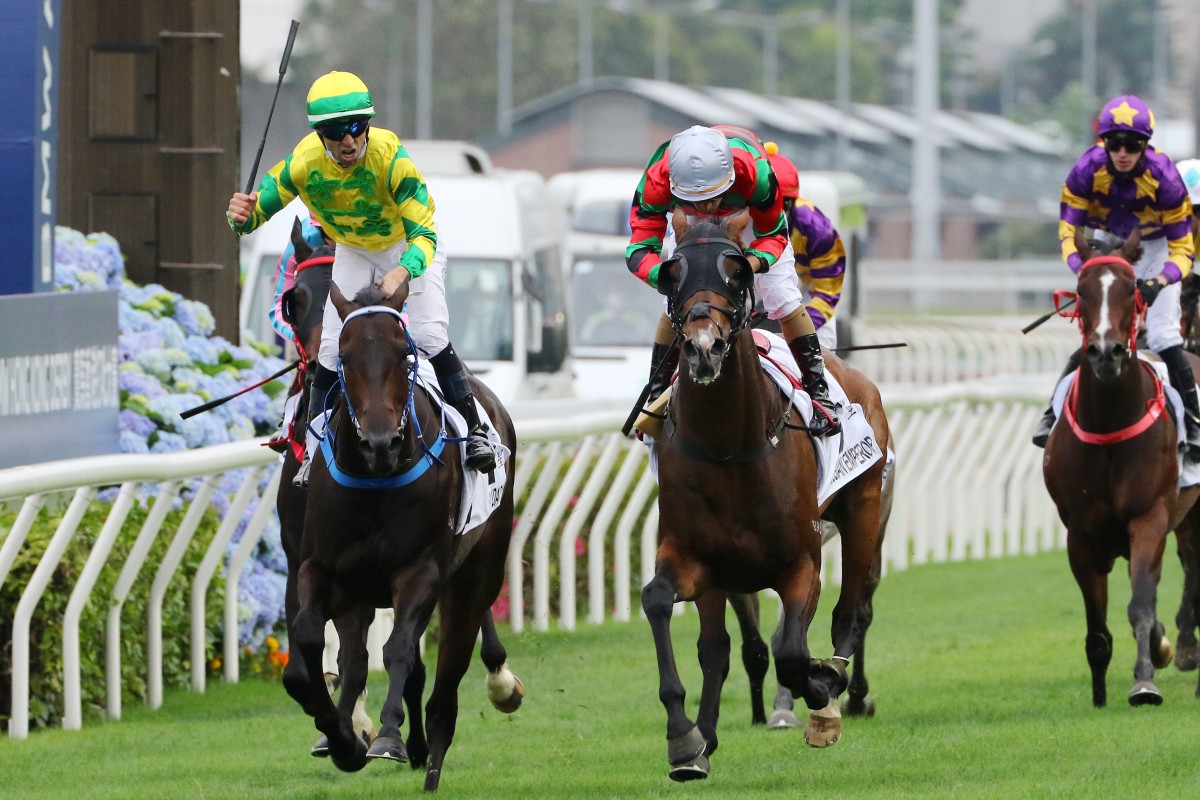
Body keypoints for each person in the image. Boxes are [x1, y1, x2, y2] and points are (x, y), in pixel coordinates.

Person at [227, 71, 497, 483]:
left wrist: (402, 272)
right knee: (333, 350)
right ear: (319, 134)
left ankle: (476, 431)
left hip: (406, 244)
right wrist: (240, 215)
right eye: (335, 132)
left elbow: (425, 234)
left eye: (357, 127)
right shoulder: (302, 165)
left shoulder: (392, 159)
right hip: (353, 249)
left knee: (426, 333)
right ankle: (312, 452)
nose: (348, 140)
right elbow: (252, 216)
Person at [626, 124, 842, 437]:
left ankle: (820, 394)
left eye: (712, 196)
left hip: (749, 216)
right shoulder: (656, 181)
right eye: (695, 199)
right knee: (675, 302)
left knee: (782, 296)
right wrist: (669, 277)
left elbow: (772, 236)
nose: (706, 206)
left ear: (728, 178)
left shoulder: (755, 171)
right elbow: (638, 250)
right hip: (691, 225)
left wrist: (750, 265)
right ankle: (655, 393)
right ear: (674, 186)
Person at [1032, 94, 1200, 458]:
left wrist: (1160, 281)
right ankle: (1051, 415)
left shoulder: (1165, 178)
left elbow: (1183, 250)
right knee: (1100, 334)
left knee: (1162, 333)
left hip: (1154, 247)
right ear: (1103, 142)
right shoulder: (1085, 170)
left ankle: (1193, 421)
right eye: (1115, 143)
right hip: (1106, 244)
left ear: (1146, 145)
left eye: (1133, 144)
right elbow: (1066, 231)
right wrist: (1085, 269)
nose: (1123, 152)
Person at [764, 142, 848, 351]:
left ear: (791, 202)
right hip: (757, 293)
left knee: (824, 348)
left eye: (779, 206)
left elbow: (826, 292)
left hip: (807, 292)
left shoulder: (817, 228)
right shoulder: (735, 221)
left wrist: (797, 328)